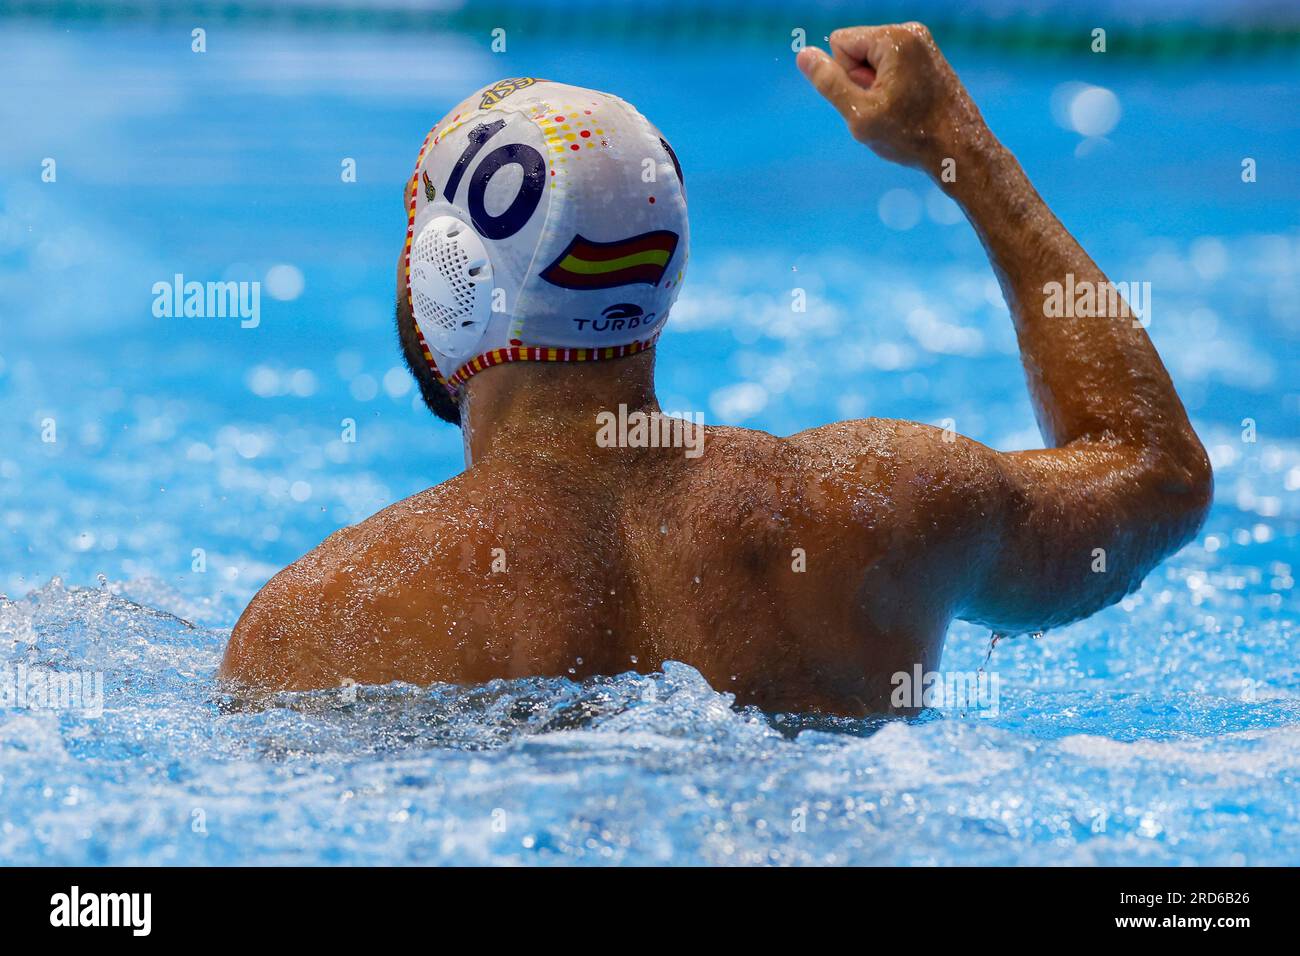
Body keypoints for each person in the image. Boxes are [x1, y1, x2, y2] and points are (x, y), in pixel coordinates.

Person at [219, 23, 1212, 716]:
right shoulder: (886, 508)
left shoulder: (323, 625)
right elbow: (1153, 468)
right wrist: (957, 147)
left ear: (450, 274)